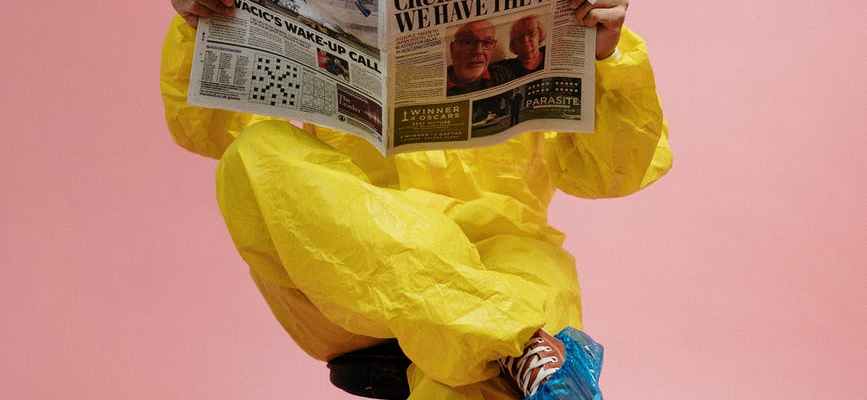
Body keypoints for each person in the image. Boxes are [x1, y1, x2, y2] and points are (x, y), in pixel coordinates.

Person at [163, 0, 672, 398]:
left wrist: (608, 55)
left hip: (503, 256)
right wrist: (200, 25)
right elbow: (207, 130)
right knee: (253, 153)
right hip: (356, 275)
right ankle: (516, 342)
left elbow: (612, 173)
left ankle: (504, 343)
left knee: (474, 379)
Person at [446, 20, 513, 96]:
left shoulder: (502, 74)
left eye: (487, 42)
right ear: (452, 48)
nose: (478, 51)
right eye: (468, 42)